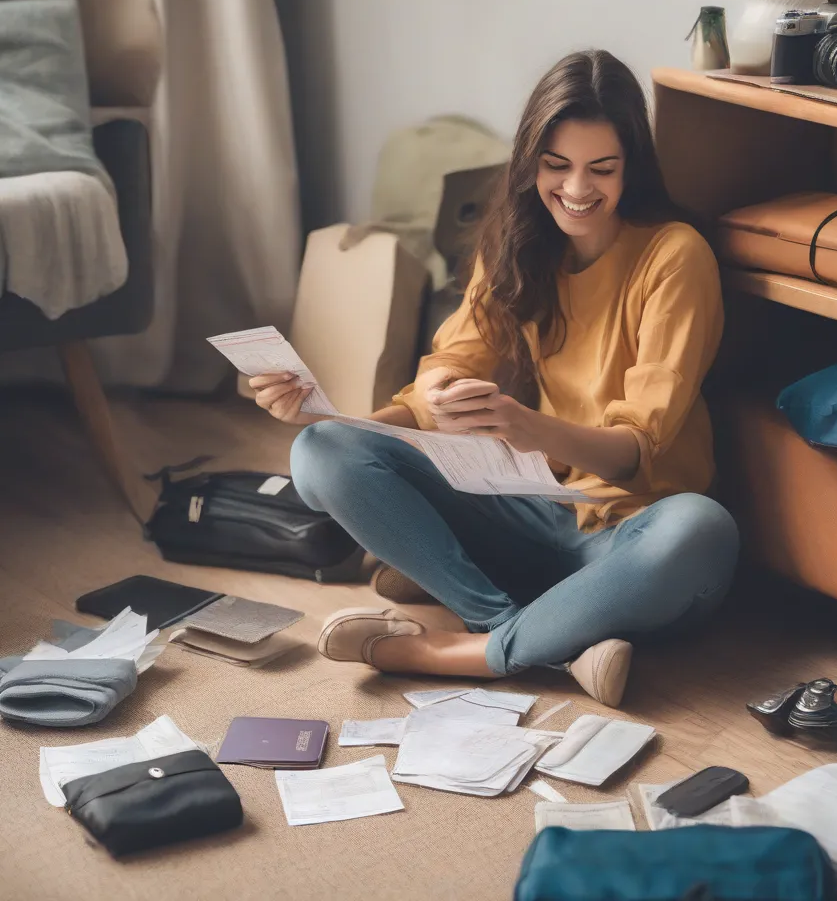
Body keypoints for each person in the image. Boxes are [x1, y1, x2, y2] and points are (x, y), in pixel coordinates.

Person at [250, 49, 739, 707]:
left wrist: (524, 425)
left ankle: (462, 648)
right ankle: (521, 629)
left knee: (704, 529)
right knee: (317, 454)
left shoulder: (675, 256)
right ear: (531, 160)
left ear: (634, 166)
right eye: (556, 166)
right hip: (539, 516)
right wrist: (323, 417)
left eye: (603, 169)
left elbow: (634, 455)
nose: (575, 190)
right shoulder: (518, 240)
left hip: (633, 539)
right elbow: (446, 375)